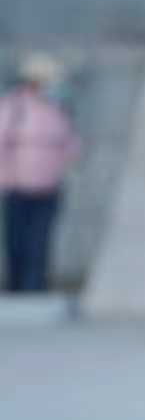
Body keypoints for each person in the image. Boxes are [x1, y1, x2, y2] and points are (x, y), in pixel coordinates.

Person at [0, 50, 81, 294]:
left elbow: (71, 145)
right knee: (17, 242)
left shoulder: (57, 109)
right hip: (17, 188)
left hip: (48, 189)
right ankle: (17, 289)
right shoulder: (13, 107)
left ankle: (35, 288)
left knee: (40, 242)